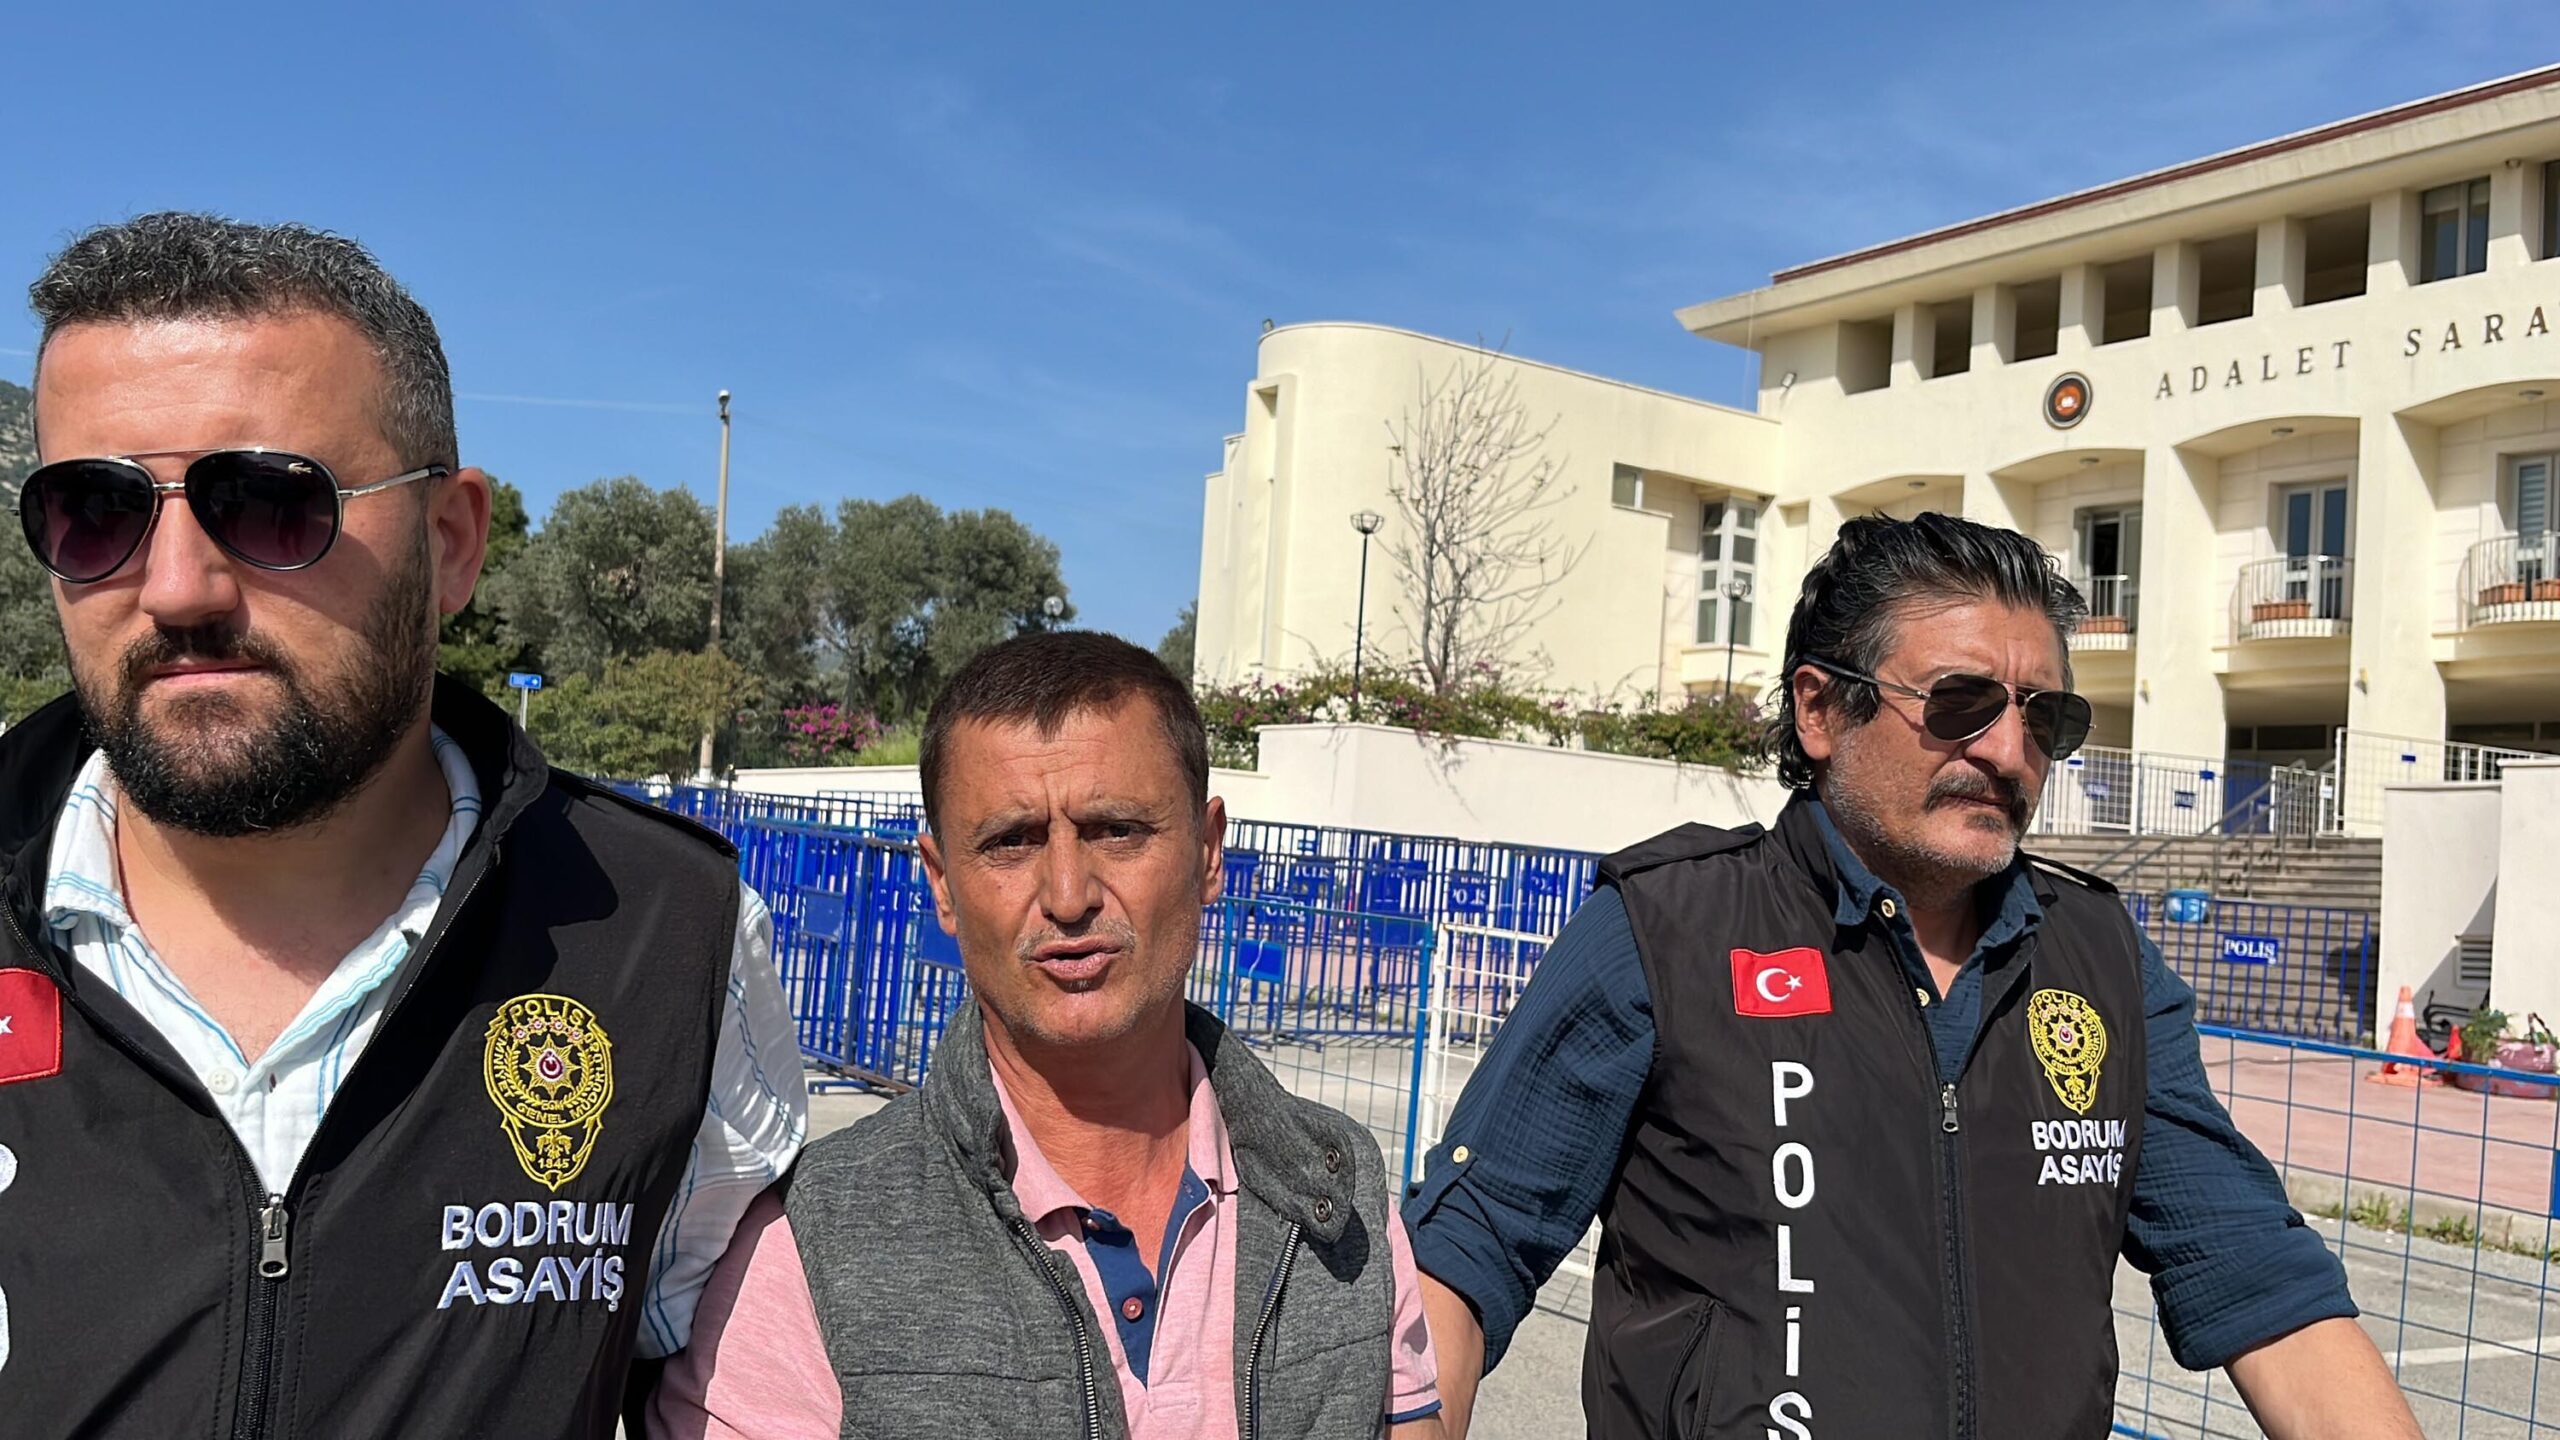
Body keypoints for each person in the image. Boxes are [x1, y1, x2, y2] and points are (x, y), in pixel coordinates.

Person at [0, 213, 805, 1436]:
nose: (175, 589)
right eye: (94, 512)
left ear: (450, 543)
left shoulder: (670, 941)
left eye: (266, 504)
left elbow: (738, 1401)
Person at [1403, 514, 2422, 1439]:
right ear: (1820, 710)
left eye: (2045, 719)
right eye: (1960, 702)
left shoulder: (2103, 959)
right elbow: (1466, 1254)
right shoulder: (1665, 930)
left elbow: (2255, 1274)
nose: (2008, 751)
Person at [649, 631, 1442, 1439]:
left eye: (1118, 830)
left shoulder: (1339, 1201)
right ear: (942, 884)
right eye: (1011, 842)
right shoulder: (811, 1246)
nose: (1068, 895)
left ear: (1209, 853)